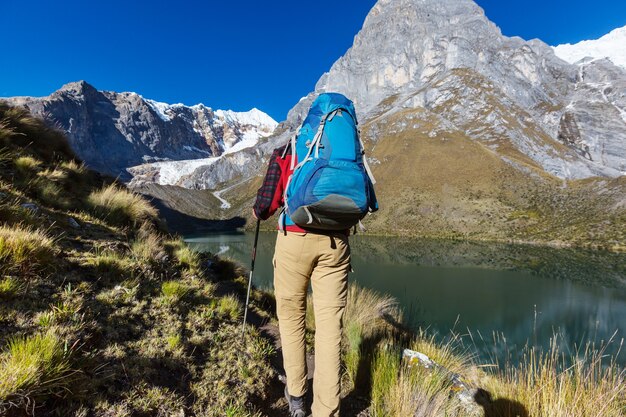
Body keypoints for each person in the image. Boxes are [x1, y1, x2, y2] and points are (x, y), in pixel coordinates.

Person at [252, 145, 352, 417]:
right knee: (330, 327)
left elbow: (265, 206)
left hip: (294, 239)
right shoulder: (348, 151)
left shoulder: (289, 148)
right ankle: (327, 411)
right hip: (336, 244)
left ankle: (297, 397)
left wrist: (257, 210)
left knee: (292, 319)